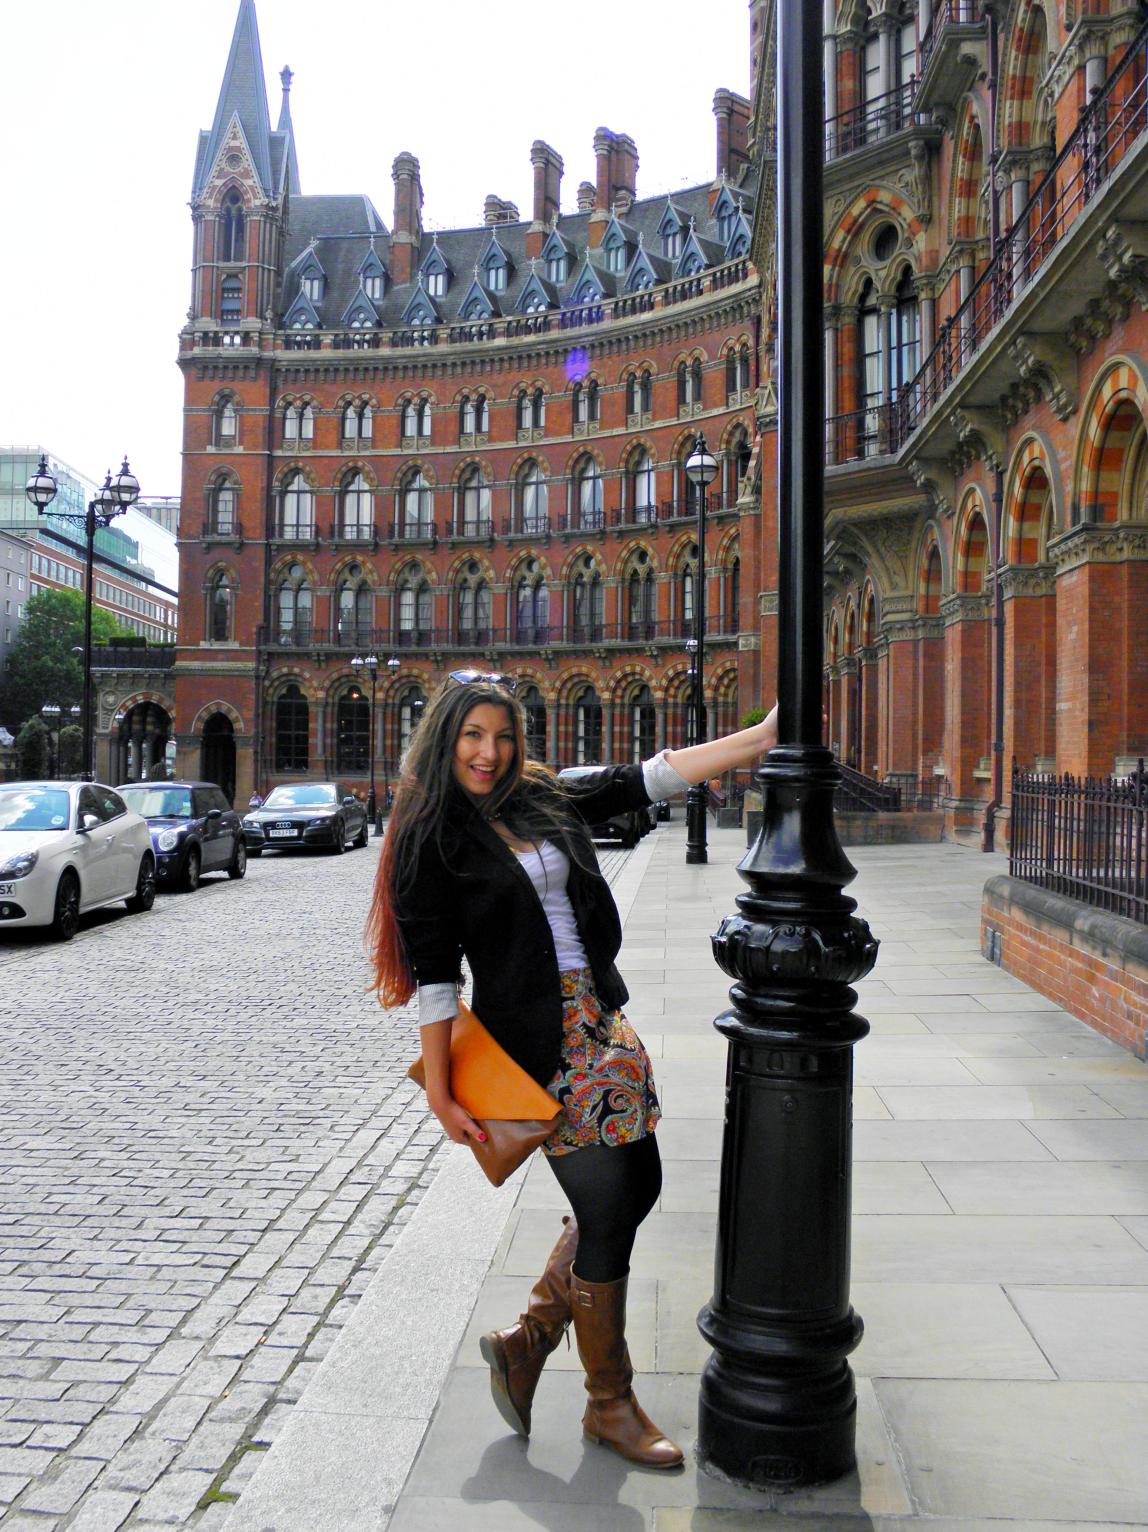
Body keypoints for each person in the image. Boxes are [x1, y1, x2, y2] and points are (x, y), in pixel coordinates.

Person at [367, 671, 778, 1470]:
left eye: (503, 736)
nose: (489, 753)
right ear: (445, 739)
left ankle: (530, 1339)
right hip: (536, 1043)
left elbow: (646, 778)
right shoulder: (430, 839)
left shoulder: (540, 798)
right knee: (613, 1206)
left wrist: (759, 740)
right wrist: (443, 1095)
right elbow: (436, 978)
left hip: (600, 1019)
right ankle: (607, 1403)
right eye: (472, 737)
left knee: (639, 1186)